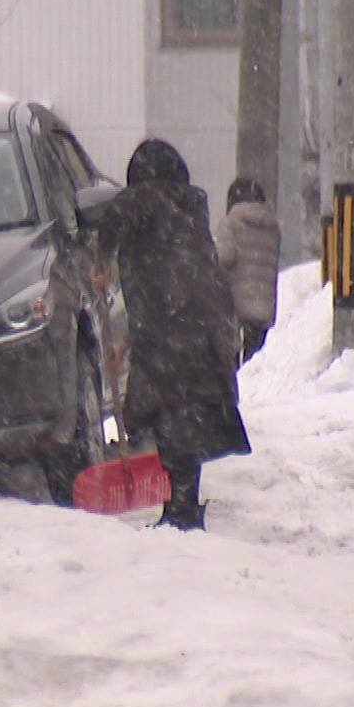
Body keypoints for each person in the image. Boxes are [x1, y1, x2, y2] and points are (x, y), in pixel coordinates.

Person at [84, 138, 250, 530]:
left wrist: (102, 253)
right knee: (186, 420)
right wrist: (125, 343)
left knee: (172, 420)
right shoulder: (188, 211)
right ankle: (184, 506)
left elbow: (123, 211)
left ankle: (181, 510)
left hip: (174, 332)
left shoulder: (152, 199)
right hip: (199, 328)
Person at [216, 176, 280, 365]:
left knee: (232, 358)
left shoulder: (230, 223)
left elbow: (225, 256)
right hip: (263, 301)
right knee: (255, 360)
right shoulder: (272, 227)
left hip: (237, 302)